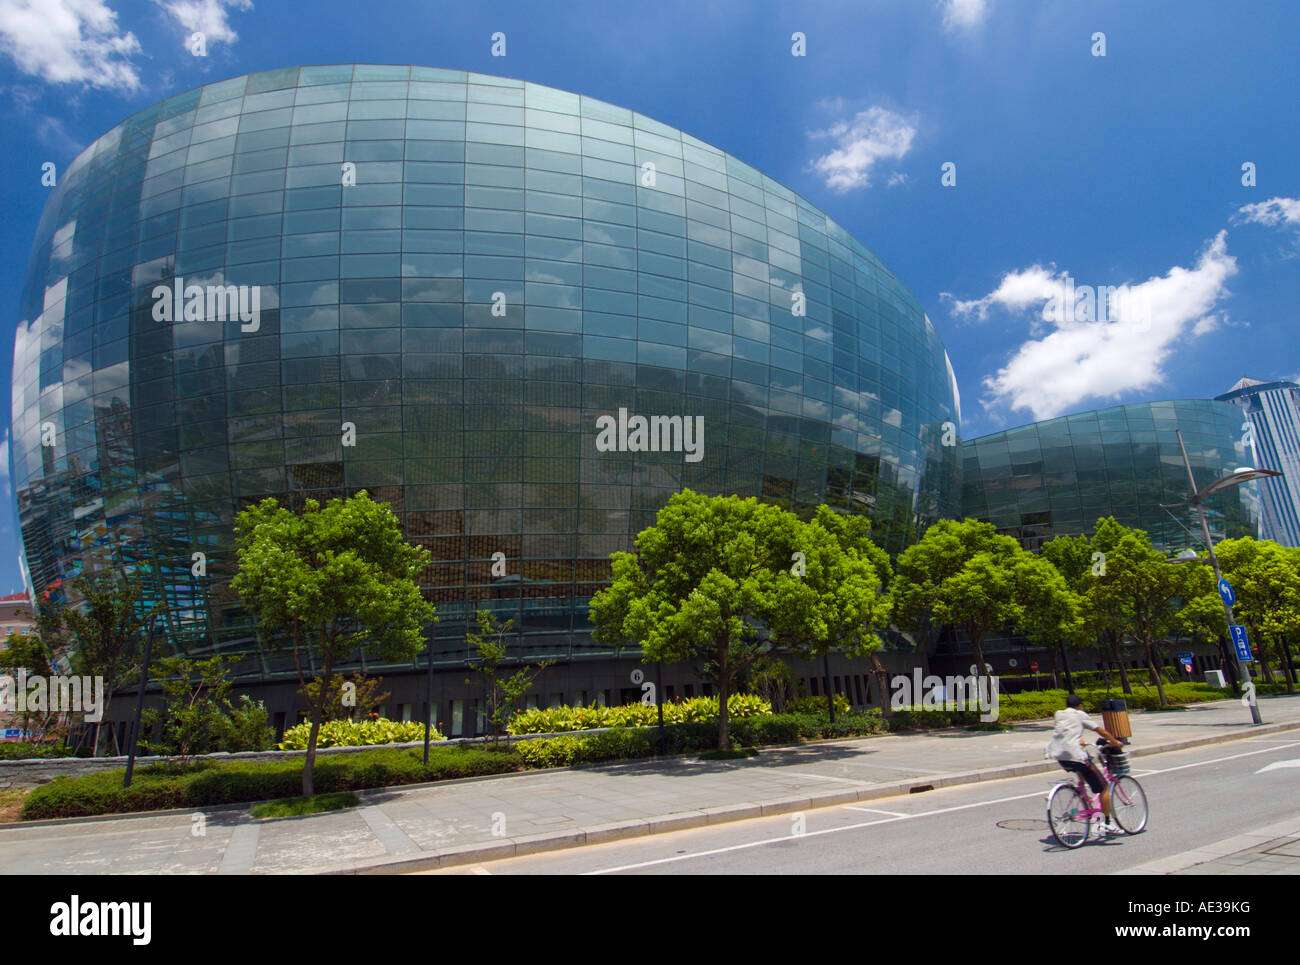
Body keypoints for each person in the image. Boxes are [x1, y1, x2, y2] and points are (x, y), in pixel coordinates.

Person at [1045, 693, 1124, 834]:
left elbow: (1067, 731)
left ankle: (1081, 793)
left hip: (1059, 755)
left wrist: (1079, 741)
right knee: (1104, 788)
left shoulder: (1059, 714)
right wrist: (1114, 741)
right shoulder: (1080, 714)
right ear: (1080, 706)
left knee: (1081, 766)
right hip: (1074, 754)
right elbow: (1100, 731)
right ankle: (1106, 823)